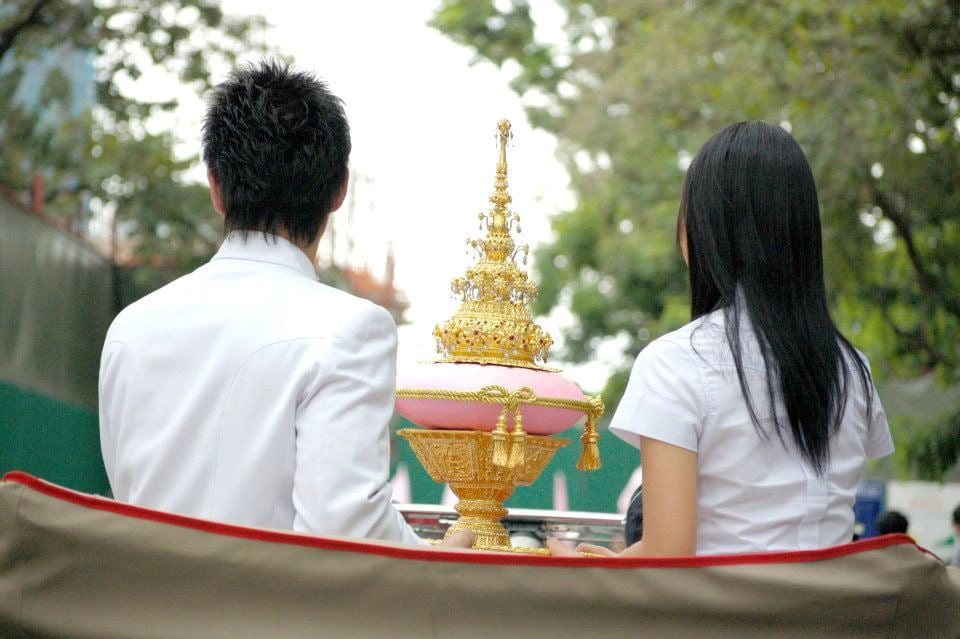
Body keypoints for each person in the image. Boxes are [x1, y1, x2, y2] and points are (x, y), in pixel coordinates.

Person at [98, 60, 471, 548]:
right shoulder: (351, 329)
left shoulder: (130, 326)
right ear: (340, 189)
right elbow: (344, 528)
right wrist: (438, 558)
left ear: (214, 185)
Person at [549, 121, 893, 558]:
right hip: (834, 621)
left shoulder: (676, 362)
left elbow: (667, 554)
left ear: (706, 229)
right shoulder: (852, 369)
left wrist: (587, 567)